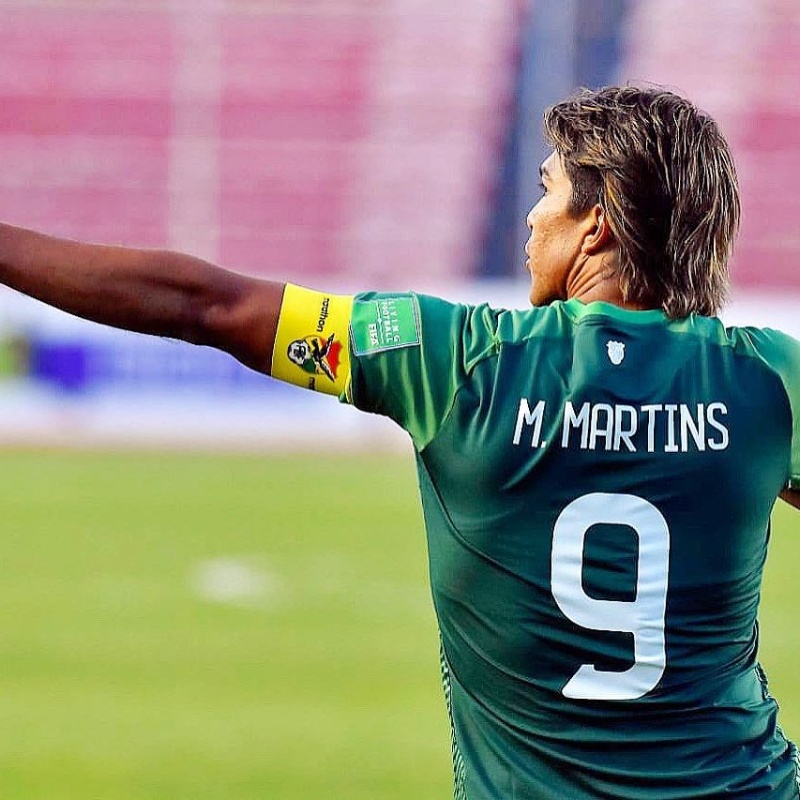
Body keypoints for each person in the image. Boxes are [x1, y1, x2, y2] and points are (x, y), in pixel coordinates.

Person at [0, 85, 798, 799]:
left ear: (597, 223)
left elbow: (204, 306)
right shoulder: (772, 385)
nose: (530, 216)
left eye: (548, 191)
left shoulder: (453, 357)